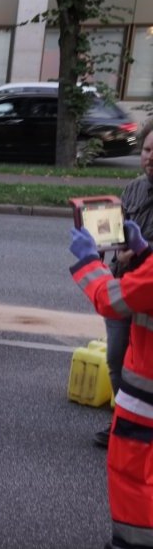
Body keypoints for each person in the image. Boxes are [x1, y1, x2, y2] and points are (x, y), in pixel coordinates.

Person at [69, 221, 153, 549]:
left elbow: (112, 298)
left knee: (134, 478)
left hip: (147, 398)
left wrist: (89, 260)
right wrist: (146, 251)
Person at [96, 121, 153, 448]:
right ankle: (123, 418)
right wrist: (104, 242)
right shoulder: (133, 187)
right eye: (146, 150)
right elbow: (114, 231)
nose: (150, 157)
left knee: (144, 367)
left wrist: (142, 250)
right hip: (123, 287)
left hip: (147, 296)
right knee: (117, 359)